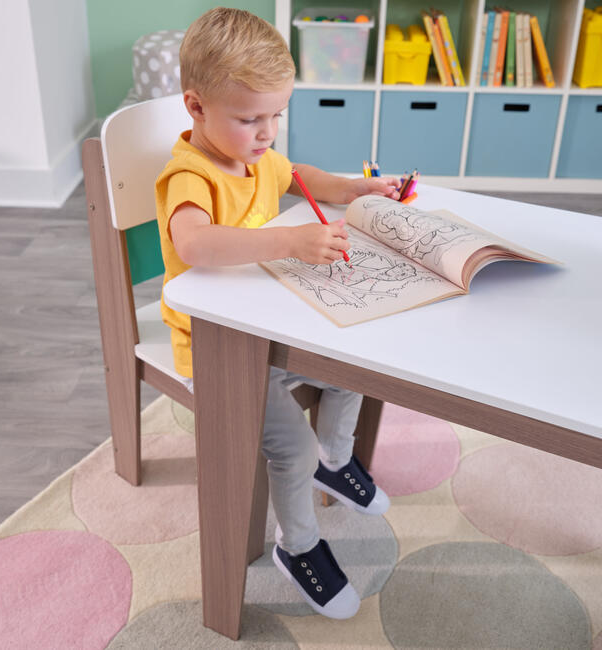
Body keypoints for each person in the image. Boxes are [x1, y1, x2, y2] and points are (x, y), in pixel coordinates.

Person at [155, 7, 400, 620]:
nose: (266, 133)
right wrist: (287, 243)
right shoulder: (189, 174)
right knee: (290, 448)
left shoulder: (255, 153)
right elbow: (194, 244)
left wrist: (352, 188)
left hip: (272, 325)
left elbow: (297, 175)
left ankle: (338, 462)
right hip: (217, 350)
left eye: (275, 116)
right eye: (249, 119)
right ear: (196, 107)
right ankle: (300, 547)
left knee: (355, 364)